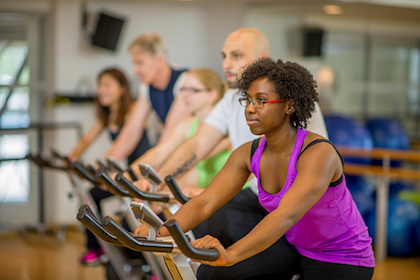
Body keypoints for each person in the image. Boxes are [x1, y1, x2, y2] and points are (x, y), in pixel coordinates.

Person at [136, 57, 375, 279]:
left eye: (261, 100)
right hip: (295, 247)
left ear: (289, 106)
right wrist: (158, 233)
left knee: (227, 263)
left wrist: (231, 255)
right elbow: (205, 202)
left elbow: (286, 215)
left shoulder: (317, 153)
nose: (250, 108)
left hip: (342, 257)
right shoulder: (249, 153)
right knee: (211, 275)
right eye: (248, 100)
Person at [68, 68, 150, 265]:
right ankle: (96, 249)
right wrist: (70, 158)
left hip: (142, 172)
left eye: (107, 84)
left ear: (122, 89)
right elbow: (87, 138)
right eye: (100, 85)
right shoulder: (107, 116)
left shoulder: (133, 111)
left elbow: (122, 142)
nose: (101, 89)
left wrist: (101, 165)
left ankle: (147, 263)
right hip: (129, 172)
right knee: (90, 197)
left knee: (134, 215)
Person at [129, 68, 232, 196]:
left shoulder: (224, 127)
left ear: (212, 95)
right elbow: (160, 152)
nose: (185, 95)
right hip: (197, 182)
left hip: (223, 186)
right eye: (183, 89)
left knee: (164, 191)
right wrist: (129, 174)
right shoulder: (187, 124)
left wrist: (155, 182)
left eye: (193, 90)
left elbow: (194, 157)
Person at [103, 32, 190, 162]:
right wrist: (108, 162)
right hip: (174, 151)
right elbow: (132, 130)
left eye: (140, 63)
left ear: (159, 61)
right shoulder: (146, 87)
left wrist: (140, 169)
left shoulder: (185, 81)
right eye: (134, 64)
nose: (135, 70)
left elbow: (170, 131)